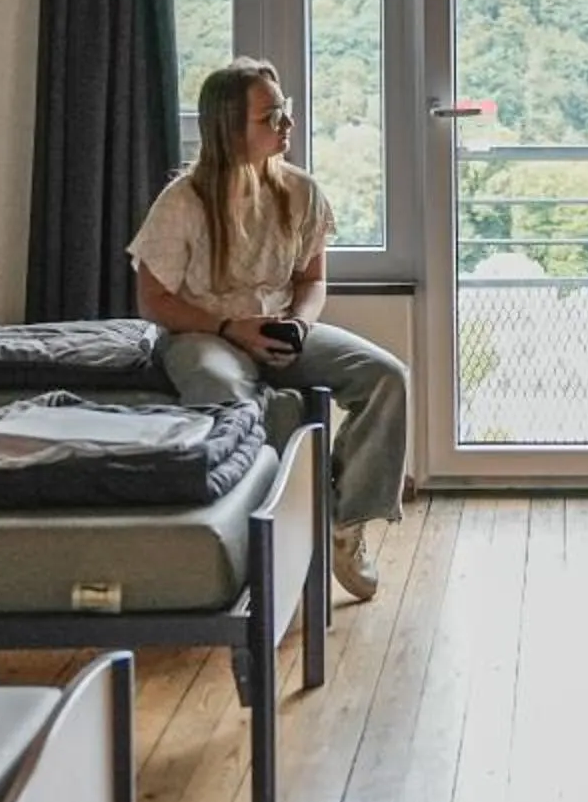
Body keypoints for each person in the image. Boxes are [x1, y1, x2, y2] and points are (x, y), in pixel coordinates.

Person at [132, 58, 410, 603]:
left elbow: (312, 281)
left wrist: (299, 326)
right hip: (205, 333)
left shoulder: (301, 193)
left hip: (281, 325)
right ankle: (260, 537)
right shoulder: (183, 202)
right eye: (271, 116)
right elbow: (154, 300)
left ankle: (342, 523)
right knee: (231, 393)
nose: (286, 124)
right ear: (230, 128)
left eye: (285, 111)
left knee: (387, 378)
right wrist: (231, 326)